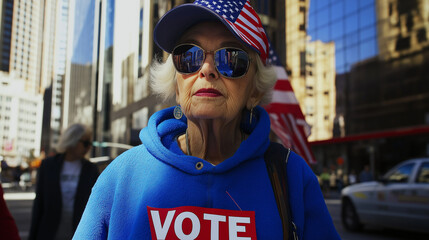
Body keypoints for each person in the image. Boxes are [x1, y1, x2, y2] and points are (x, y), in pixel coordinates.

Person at [73, 1, 340, 239]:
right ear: (177, 87)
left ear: (254, 91)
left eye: (232, 58)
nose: (207, 69)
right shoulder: (121, 176)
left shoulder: (292, 176)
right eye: (189, 56)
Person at [29, 123, 99, 240]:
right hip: (49, 232)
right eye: (86, 143)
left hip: (79, 232)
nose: (89, 147)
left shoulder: (91, 169)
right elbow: (39, 204)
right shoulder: (48, 165)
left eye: (90, 144)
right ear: (73, 140)